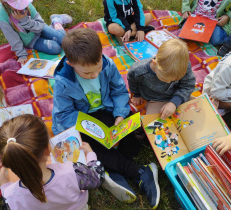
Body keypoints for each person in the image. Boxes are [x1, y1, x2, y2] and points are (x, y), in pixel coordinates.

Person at [52, 28, 160, 208]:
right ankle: (140, 172)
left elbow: (119, 91)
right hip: (83, 120)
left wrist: (119, 114)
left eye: (98, 69)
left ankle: (110, 170)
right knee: (85, 147)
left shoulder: (108, 64)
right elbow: (63, 115)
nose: (94, 75)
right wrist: (86, 125)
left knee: (135, 130)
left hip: (108, 112)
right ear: (71, 63)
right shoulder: (63, 82)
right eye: (87, 73)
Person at [0, 114, 104, 209]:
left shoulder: (10, 196)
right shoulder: (71, 172)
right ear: (47, 150)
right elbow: (96, 176)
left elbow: (10, 203)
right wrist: (90, 154)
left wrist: (4, 184)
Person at [128, 38, 196, 119]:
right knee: (153, 122)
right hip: (155, 100)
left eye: (174, 80)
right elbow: (132, 79)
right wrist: (136, 94)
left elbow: (188, 85)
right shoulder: (139, 69)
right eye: (165, 79)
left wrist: (175, 102)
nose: (169, 82)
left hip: (178, 95)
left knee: (196, 112)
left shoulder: (184, 66)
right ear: (154, 63)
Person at [0, 0, 72, 65]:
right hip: (31, 40)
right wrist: (21, 54)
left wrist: (25, 21)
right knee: (56, 48)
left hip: (40, 28)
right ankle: (53, 27)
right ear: (5, 2)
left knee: (64, 39)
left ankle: (56, 20)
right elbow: (12, 37)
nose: (21, 7)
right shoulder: (2, 16)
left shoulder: (27, 4)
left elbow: (40, 24)